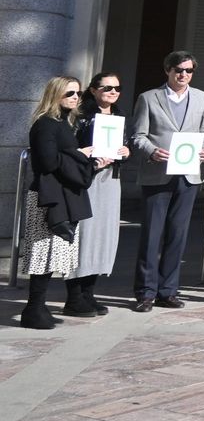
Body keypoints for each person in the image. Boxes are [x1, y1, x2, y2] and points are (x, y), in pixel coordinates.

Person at [129, 50, 204, 312]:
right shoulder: (148, 98)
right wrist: (152, 151)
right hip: (157, 174)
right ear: (168, 70)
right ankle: (145, 292)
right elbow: (138, 135)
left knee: (178, 236)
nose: (183, 75)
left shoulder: (201, 98)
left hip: (188, 175)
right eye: (179, 70)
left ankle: (168, 290)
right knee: (151, 236)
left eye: (188, 71)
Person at [18, 77, 98, 329]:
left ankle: (37, 308)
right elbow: (48, 162)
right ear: (55, 95)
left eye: (78, 93)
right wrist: (80, 154)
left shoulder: (63, 123)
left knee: (52, 254)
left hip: (59, 195)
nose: (75, 97)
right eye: (69, 93)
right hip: (46, 197)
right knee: (42, 254)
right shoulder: (45, 124)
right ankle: (33, 309)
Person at [69, 71, 131, 316]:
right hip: (88, 180)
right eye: (107, 88)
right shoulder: (81, 116)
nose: (113, 92)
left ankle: (88, 294)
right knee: (84, 236)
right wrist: (90, 158)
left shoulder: (118, 114)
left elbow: (124, 146)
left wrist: (126, 152)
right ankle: (74, 297)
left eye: (117, 88)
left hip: (110, 181)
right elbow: (72, 150)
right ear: (93, 90)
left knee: (103, 237)